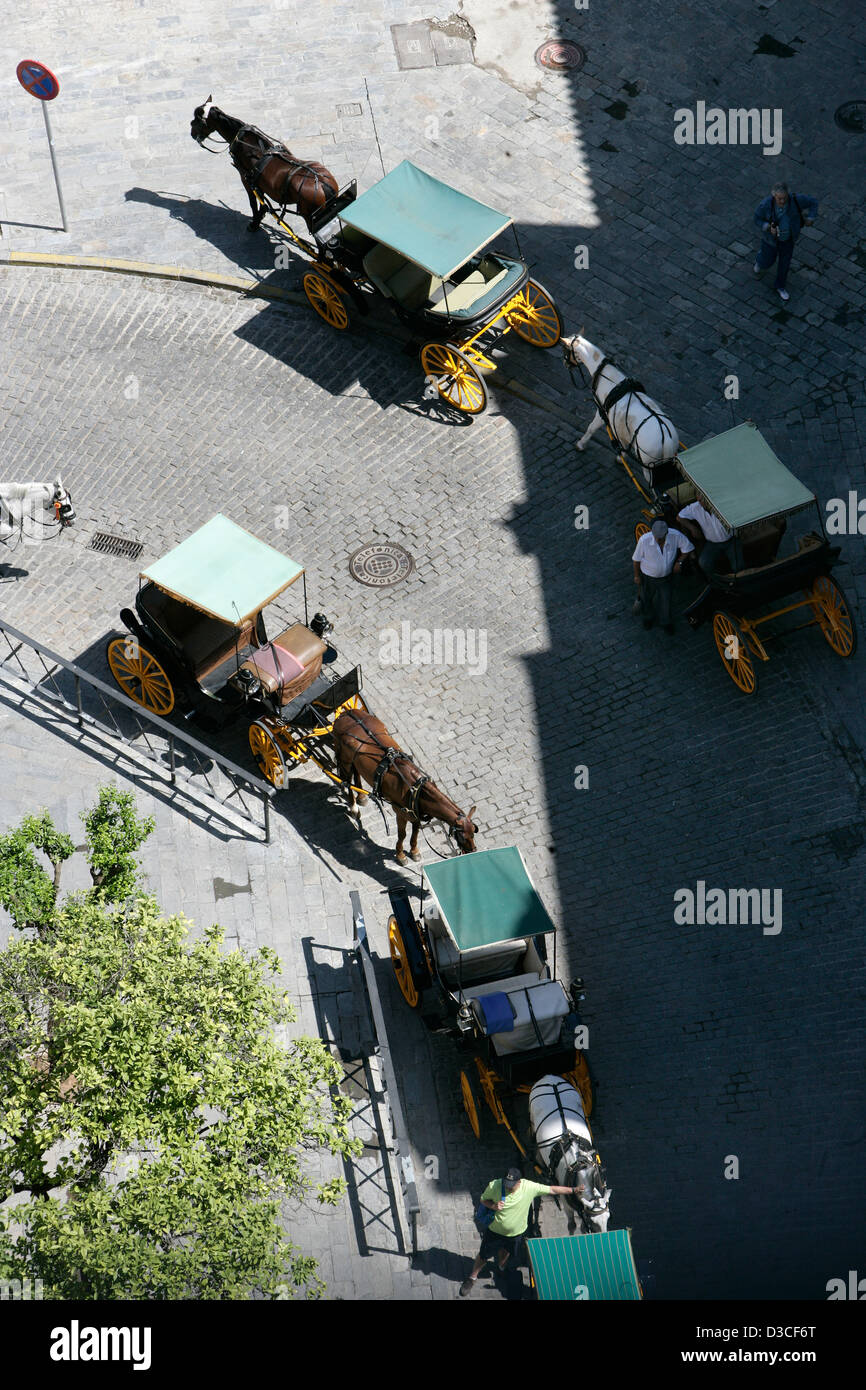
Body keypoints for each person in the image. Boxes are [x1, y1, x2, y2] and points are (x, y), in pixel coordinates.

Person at [459, 1166, 578, 1296]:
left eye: (511, 1185)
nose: (508, 1187)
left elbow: (552, 1189)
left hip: (515, 1235)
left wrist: (573, 1190)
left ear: (519, 1182)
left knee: (506, 1252)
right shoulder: (495, 1186)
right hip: (495, 1231)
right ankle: (472, 1278)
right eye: (506, 1184)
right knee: (483, 1256)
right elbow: (483, 1199)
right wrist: (493, 1205)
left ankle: (501, 1268)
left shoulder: (529, 1187)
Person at [753, 182, 818, 302]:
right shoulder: (765, 205)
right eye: (779, 198)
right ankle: (760, 262)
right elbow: (757, 218)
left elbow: (814, 202)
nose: (782, 201)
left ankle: (780, 286)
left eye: (784, 198)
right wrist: (767, 226)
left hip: (788, 240)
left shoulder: (796, 200)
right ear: (774, 196)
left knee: (785, 264)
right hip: (770, 240)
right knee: (767, 260)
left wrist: (811, 217)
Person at [632, 518, 693, 634]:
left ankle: (666, 622)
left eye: (661, 537)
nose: (658, 539)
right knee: (646, 598)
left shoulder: (675, 536)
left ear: (667, 533)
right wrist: (637, 576)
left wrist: (679, 562)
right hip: (648, 577)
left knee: (666, 600)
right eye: (656, 536)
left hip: (666, 578)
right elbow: (636, 560)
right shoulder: (644, 540)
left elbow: (688, 548)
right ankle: (648, 618)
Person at [676, 499, 734, 576]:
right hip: (712, 544)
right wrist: (692, 528)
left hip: (731, 540)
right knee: (704, 562)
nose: (702, 501)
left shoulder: (721, 503)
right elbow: (679, 517)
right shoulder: (695, 507)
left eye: (704, 499)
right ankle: (716, 581)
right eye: (700, 499)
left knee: (738, 565)